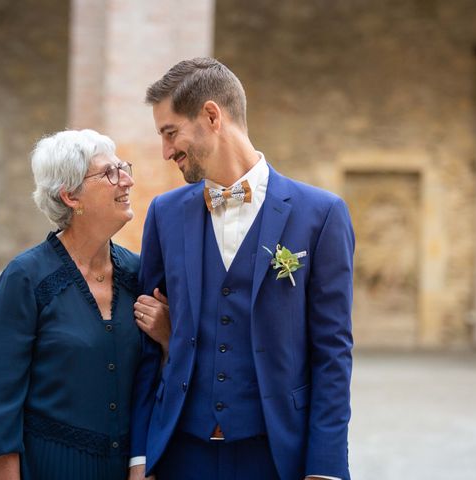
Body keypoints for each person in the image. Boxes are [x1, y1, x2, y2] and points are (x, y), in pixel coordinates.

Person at [129, 58, 355, 480]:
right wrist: (141, 457)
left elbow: (332, 353)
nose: (166, 152)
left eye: (170, 132)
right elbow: (145, 350)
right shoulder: (164, 214)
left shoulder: (320, 215)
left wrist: (325, 469)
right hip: (179, 454)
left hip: (275, 456)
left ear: (212, 116)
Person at [0, 129, 169, 480]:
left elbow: (156, 383)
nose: (127, 180)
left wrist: (167, 337)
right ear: (71, 196)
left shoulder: (139, 274)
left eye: (124, 167)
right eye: (110, 172)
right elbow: (0, 413)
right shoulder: (25, 279)